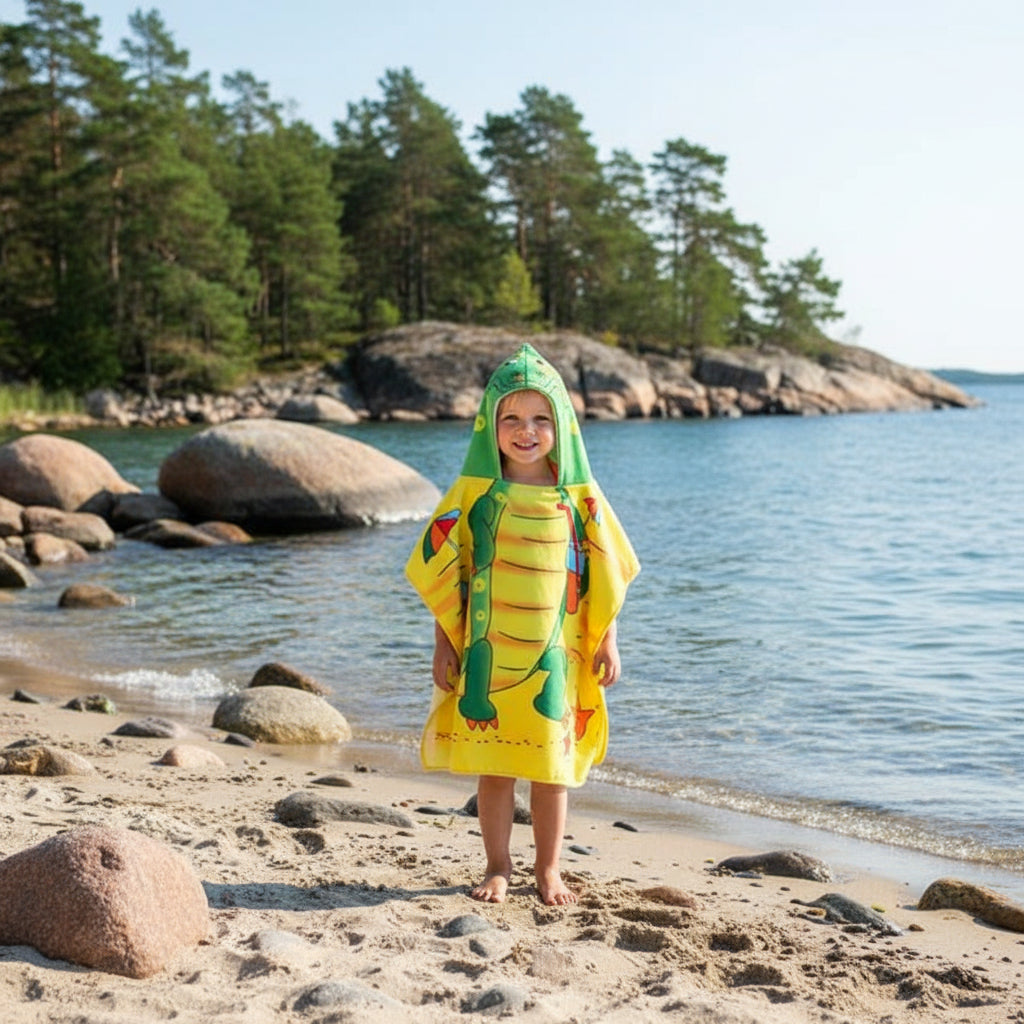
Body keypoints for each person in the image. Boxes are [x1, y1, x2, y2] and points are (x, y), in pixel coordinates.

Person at [405, 343, 639, 905]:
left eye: (541, 419)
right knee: (496, 768)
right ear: (489, 424)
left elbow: (605, 573)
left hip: (555, 656)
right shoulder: (473, 494)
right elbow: (449, 574)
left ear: (563, 426)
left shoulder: (579, 498)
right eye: (511, 417)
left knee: (552, 768)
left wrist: (608, 640)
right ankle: (498, 865)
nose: (525, 431)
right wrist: (443, 644)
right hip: (487, 649)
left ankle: (549, 869)